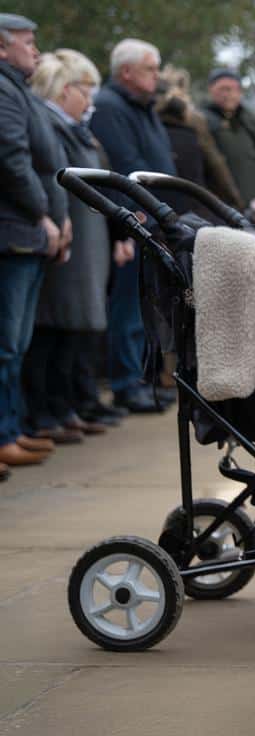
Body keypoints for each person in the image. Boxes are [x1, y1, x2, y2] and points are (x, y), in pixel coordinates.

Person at [23, 49, 127, 448]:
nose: (90, 100)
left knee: (72, 329)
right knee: (53, 329)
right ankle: (47, 411)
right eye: (85, 91)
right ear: (65, 90)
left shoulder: (74, 130)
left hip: (84, 239)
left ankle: (64, 406)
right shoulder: (52, 125)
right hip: (67, 241)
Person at [88, 38, 175, 414]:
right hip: (133, 219)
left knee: (144, 308)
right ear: (126, 71)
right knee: (127, 308)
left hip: (150, 218)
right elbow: (123, 166)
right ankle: (127, 383)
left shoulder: (143, 107)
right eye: (150, 69)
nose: (157, 76)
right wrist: (132, 216)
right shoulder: (109, 108)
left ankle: (142, 379)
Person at [0, 13, 66, 475]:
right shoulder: (3, 91)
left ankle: (10, 429)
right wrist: (45, 213)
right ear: (2, 48)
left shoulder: (15, 89)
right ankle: (3, 434)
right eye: (28, 42)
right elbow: (12, 158)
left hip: (28, 232)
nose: (36, 51)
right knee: (6, 343)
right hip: (14, 232)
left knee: (16, 344)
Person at [156, 65, 242, 216]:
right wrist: (234, 198)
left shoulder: (148, 116)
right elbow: (215, 162)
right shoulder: (195, 121)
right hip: (193, 201)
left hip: (159, 202)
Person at [203, 67, 255, 227]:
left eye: (236, 89)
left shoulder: (249, 121)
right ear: (211, 89)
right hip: (221, 206)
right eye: (224, 89)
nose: (230, 94)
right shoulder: (203, 120)